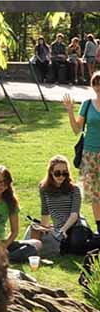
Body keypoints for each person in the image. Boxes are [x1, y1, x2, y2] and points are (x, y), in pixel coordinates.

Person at [25, 155, 87, 257]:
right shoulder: (43, 188)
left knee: (75, 243)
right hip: (57, 229)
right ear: (51, 172)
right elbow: (45, 212)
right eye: (57, 173)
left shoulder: (74, 189)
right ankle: (26, 251)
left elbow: (74, 214)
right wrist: (44, 228)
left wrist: (63, 229)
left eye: (65, 173)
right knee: (33, 230)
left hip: (74, 227)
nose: (61, 176)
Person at [63, 76, 100, 232]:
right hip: (89, 154)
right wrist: (70, 110)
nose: (98, 86)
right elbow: (76, 129)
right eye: (95, 83)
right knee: (94, 193)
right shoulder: (86, 105)